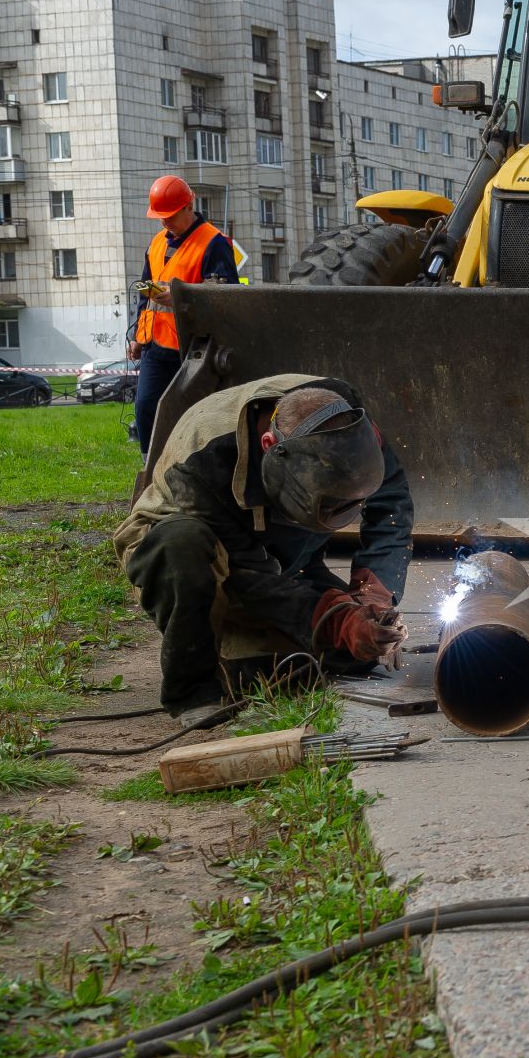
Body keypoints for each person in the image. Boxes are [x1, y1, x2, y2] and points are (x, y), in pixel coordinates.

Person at [113, 374, 415, 716]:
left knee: (356, 652)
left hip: (285, 559)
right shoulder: (204, 456)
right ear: (271, 445)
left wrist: (371, 595)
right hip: (203, 557)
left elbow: (391, 507)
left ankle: (241, 651)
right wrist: (335, 620)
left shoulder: (350, 427)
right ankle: (192, 691)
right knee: (183, 545)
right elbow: (249, 577)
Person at [130, 175, 238, 459]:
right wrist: (137, 338)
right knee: (146, 409)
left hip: (192, 349)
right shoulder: (156, 243)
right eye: (160, 216)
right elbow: (145, 295)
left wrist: (180, 297)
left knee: (191, 415)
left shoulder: (214, 243)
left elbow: (226, 296)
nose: (164, 222)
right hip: (155, 345)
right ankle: (151, 471)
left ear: (188, 206)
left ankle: (188, 470)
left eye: (170, 215)